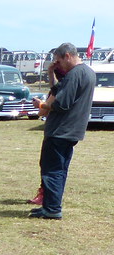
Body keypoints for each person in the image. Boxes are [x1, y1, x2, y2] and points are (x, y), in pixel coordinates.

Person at [29, 43, 96, 220]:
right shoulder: (87, 72)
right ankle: (50, 205)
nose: (58, 65)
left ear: (67, 56)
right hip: (72, 130)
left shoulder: (75, 74)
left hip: (60, 130)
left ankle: (52, 209)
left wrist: (41, 105)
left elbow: (61, 103)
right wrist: (52, 74)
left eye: (58, 61)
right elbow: (58, 91)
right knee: (59, 169)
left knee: (52, 170)